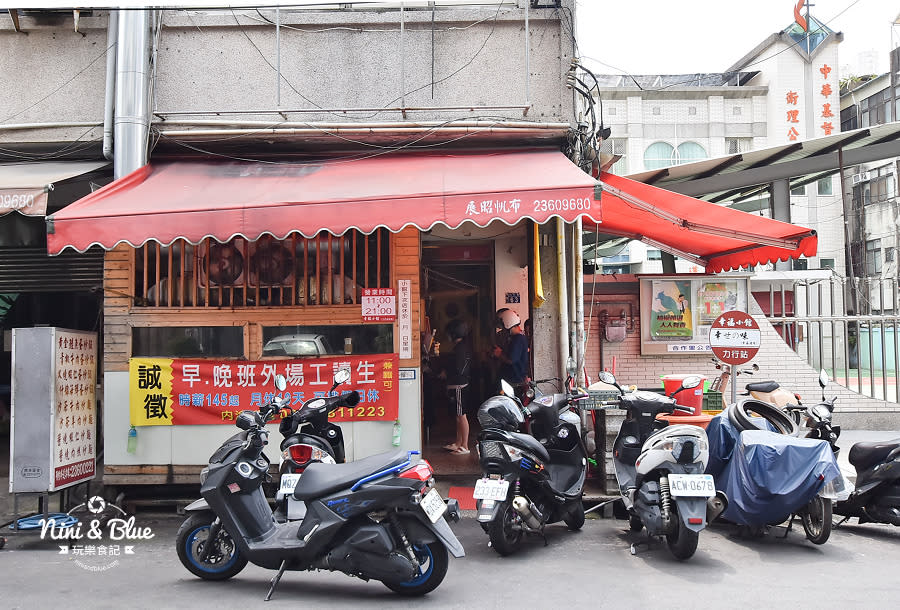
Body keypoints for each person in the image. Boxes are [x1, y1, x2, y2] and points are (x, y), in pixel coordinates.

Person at [440, 319, 472, 455]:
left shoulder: (460, 348)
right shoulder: (462, 347)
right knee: (458, 415)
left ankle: (464, 445)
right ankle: (458, 443)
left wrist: (446, 373)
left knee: (461, 415)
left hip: (459, 385)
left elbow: (458, 368)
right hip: (457, 384)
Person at [492, 309, 530, 393]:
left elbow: (511, 359)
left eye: (503, 327)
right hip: (511, 380)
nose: (503, 330)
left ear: (508, 324)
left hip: (515, 382)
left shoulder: (518, 339)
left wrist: (499, 354)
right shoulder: (515, 338)